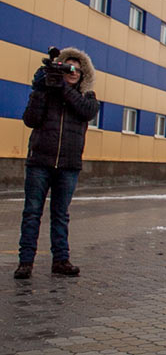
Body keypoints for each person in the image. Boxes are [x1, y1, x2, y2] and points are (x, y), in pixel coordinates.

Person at [15, 47, 99, 280]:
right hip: (40, 161)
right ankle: (25, 263)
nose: (72, 72)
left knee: (60, 214)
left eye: (77, 69)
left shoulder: (87, 98)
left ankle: (61, 260)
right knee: (32, 213)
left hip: (68, 165)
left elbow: (85, 112)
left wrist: (62, 88)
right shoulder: (47, 93)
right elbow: (30, 119)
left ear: (83, 75)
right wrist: (40, 89)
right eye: (67, 67)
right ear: (59, 69)